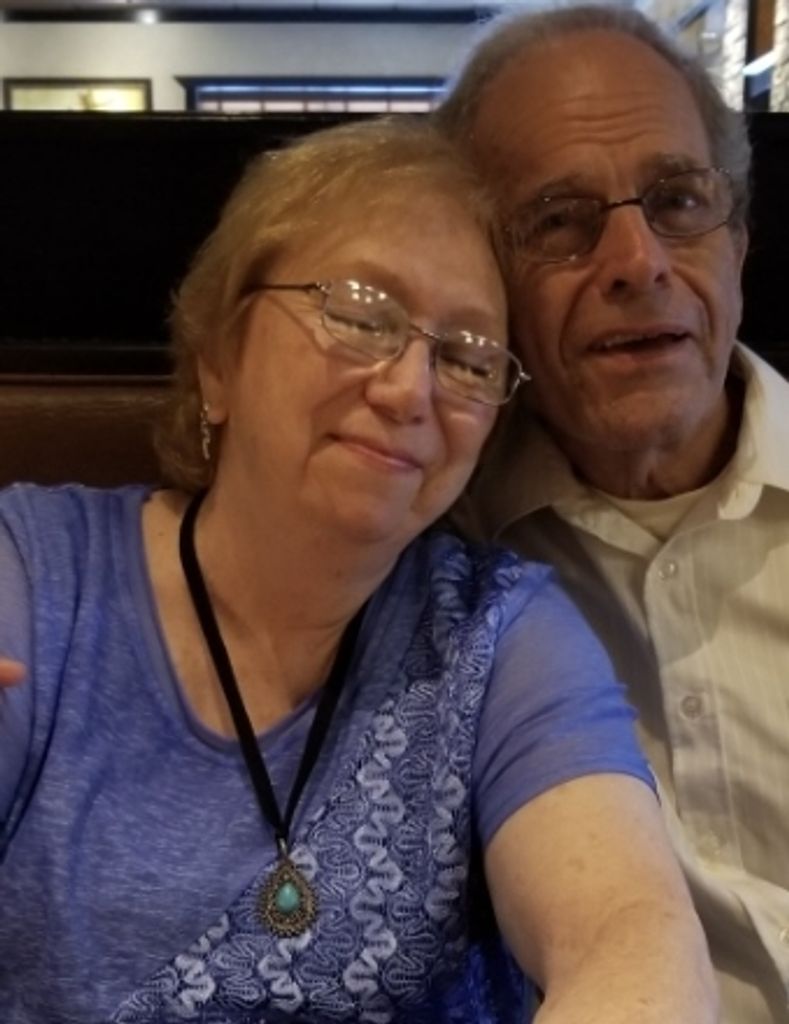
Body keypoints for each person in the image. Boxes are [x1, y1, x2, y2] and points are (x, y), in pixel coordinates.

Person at [0, 117, 716, 1023]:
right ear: (219, 358)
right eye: (358, 314)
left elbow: (630, 933)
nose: (409, 389)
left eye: (467, 357)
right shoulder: (36, 571)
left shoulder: (495, 633)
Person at [437, 6, 789, 1022]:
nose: (638, 260)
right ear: (483, 277)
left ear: (737, 244)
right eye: (559, 219)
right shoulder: (429, 544)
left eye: (678, 200)